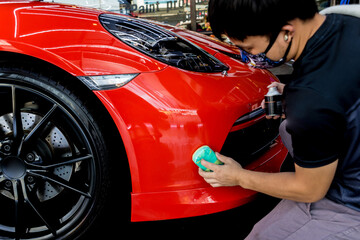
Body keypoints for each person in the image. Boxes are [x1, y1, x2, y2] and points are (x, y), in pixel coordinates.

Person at [198, 0, 360, 239]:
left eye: (250, 48)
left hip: (349, 202)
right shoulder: (345, 20)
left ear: (286, 31)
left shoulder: (311, 100)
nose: (250, 56)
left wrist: (238, 177)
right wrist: (292, 94)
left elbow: (309, 189)